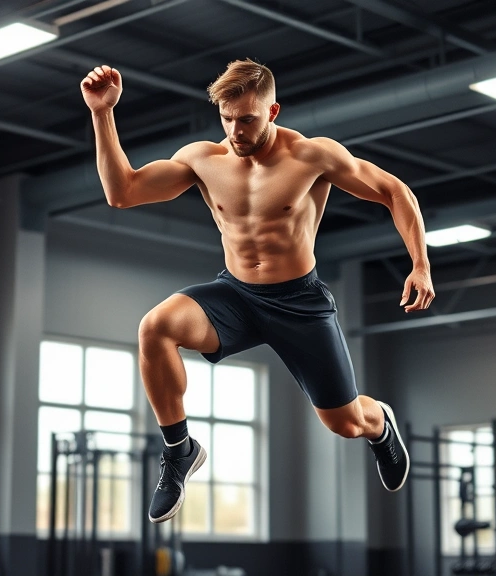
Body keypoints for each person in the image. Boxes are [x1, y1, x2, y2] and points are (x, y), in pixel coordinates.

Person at [80, 59, 434, 524]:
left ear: (273, 111)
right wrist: (102, 114)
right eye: (227, 118)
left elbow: (394, 191)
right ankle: (179, 450)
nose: (235, 130)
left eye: (246, 119)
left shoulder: (313, 156)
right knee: (156, 327)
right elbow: (122, 192)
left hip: (299, 302)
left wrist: (420, 264)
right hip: (237, 296)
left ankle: (379, 423)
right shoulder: (203, 159)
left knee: (344, 423)